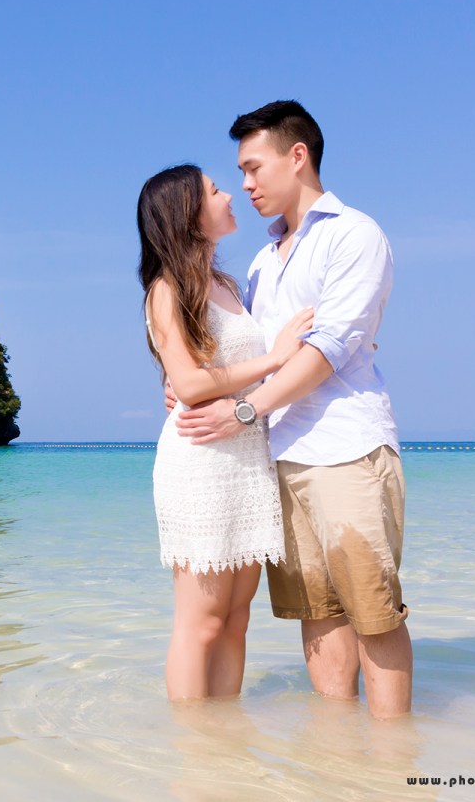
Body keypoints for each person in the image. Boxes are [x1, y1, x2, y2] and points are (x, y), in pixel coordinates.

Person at [172, 100, 412, 719]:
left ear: (296, 155)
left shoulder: (354, 234)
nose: (245, 185)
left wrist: (243, 412)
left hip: (346, 449)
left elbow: (325, 351)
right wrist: (189, 387)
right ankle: (337, 758)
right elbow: (247, 352)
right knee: (317, 613)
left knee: (373, 612)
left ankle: (392, 762)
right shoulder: (261, 261)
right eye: (239, 175)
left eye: (253, 168)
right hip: (278, 458)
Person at [138, 164, 314, 701]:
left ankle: (224, 743)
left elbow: (194, 375)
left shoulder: (227, 286)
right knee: (202, 623)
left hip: (245, 458)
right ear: (188, 211)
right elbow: (190, 384)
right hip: (200, 462)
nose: (230, 194)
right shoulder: (166, 290)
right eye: (216, 190)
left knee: (237, 621)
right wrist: (274, 358)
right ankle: (192, 754)